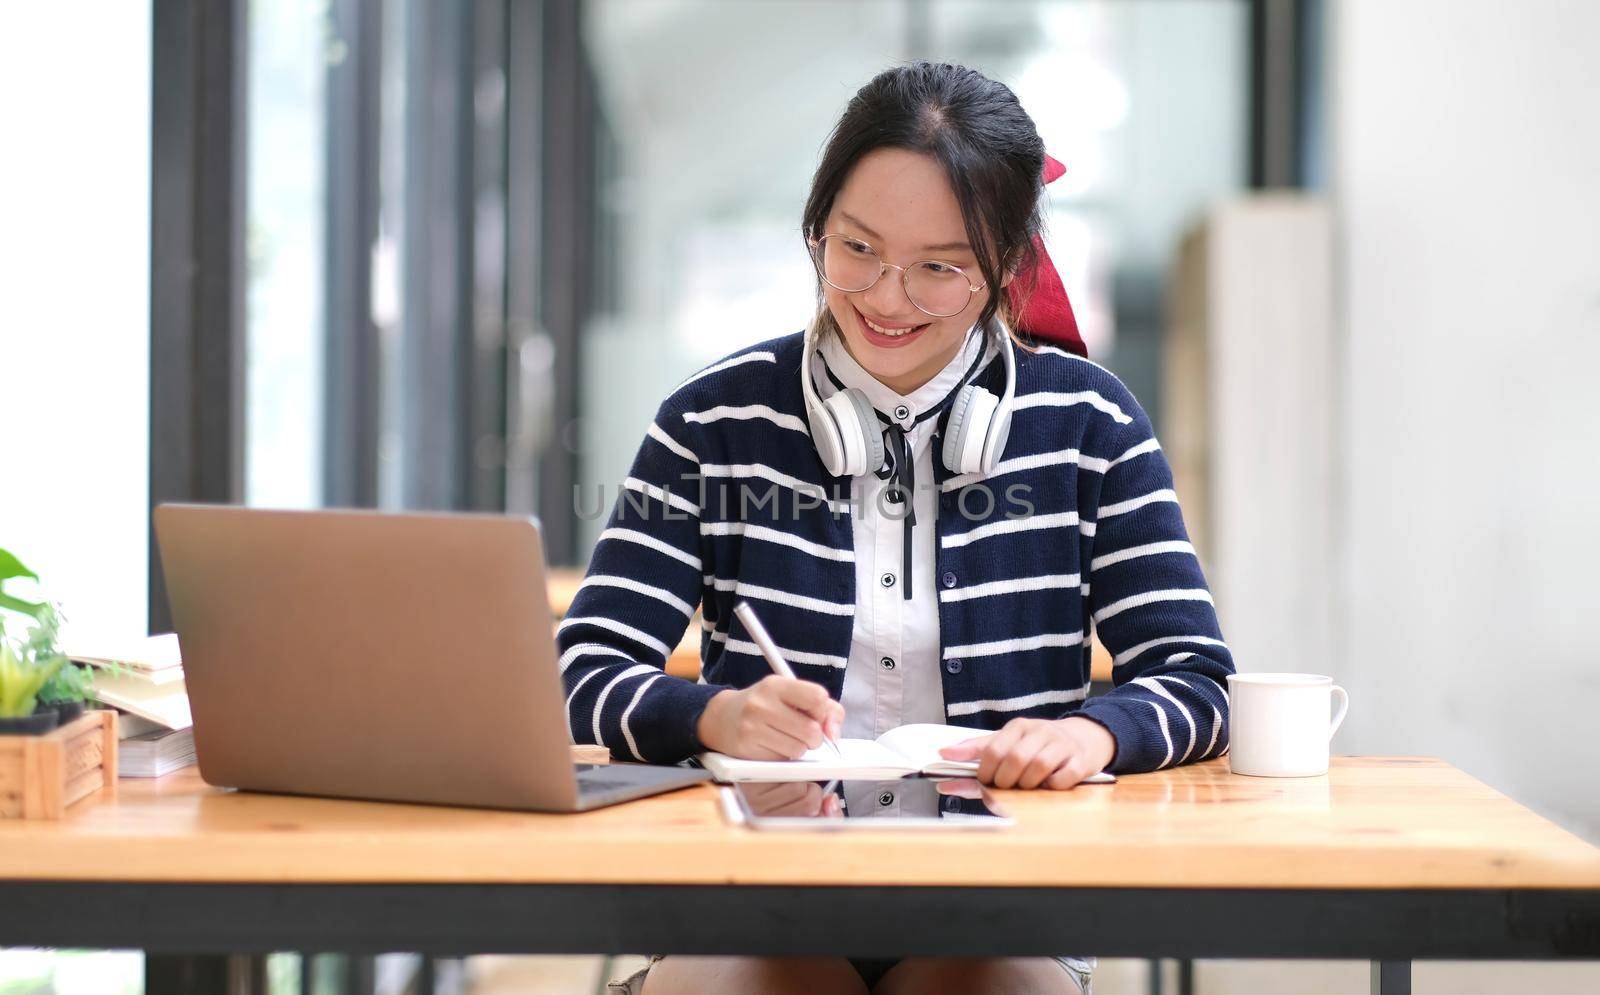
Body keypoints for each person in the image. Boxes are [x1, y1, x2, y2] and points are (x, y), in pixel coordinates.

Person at [564, 61, 1236, 995]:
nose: (885, 298)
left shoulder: (1091, 427)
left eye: (939, 268)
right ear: (816, 231)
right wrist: (717, 714)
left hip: (1003, 896)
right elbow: (580, 671)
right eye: (857, 249)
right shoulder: (711, 421)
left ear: (1005, 268)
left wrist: (1094, 735)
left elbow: (1198, 679)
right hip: (762, 885)